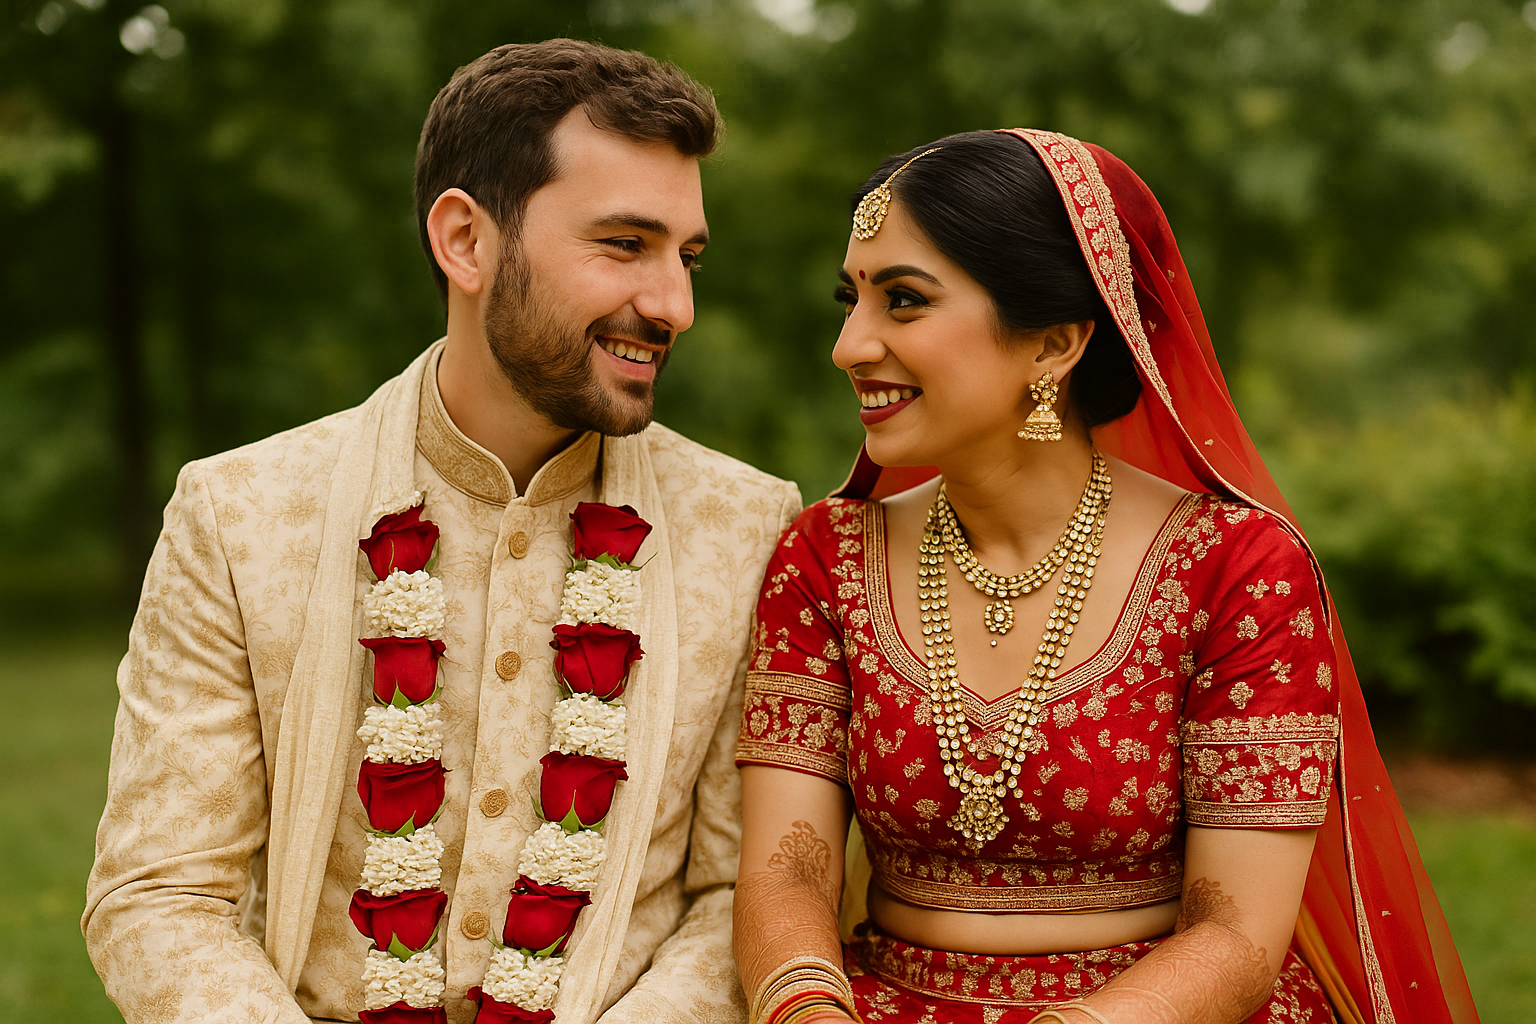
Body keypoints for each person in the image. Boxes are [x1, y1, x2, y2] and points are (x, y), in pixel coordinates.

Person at [83, 40, 801, 1024]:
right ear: (465, 241)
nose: (674, 304)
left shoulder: (748, 529)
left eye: (688, 257)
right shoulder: (240, 515)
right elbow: (162, 894)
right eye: (625, 244)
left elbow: (741, 897)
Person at [733, 130, 1479, 1024]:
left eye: (903, 300)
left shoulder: (1236, 568)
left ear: (1053, 343)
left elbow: (1237, 933)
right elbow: (787, 872)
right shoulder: (826, 556)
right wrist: (809, 1013)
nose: (849, 346)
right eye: (849, 300)